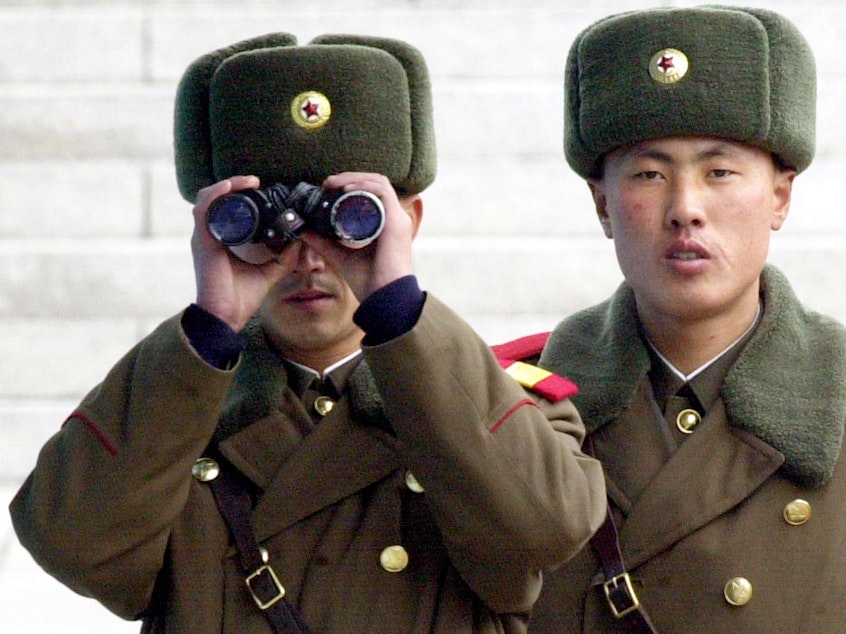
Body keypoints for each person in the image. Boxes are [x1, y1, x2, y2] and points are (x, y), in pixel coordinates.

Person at [9, 33, 606, 633]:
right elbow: (73, 547)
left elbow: (546, 532)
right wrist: (211, 328)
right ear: (218, 227)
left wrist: (398, 308)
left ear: (408, 221)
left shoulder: (504, 410)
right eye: (269, 222)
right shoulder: (172, 415)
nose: (308, 257)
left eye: (345, 216)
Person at [525, 5, 846, 633]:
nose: (686, 209)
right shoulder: (518, 406)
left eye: (719, 171)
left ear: (779, 196)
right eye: (649, 174)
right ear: (603, 206)